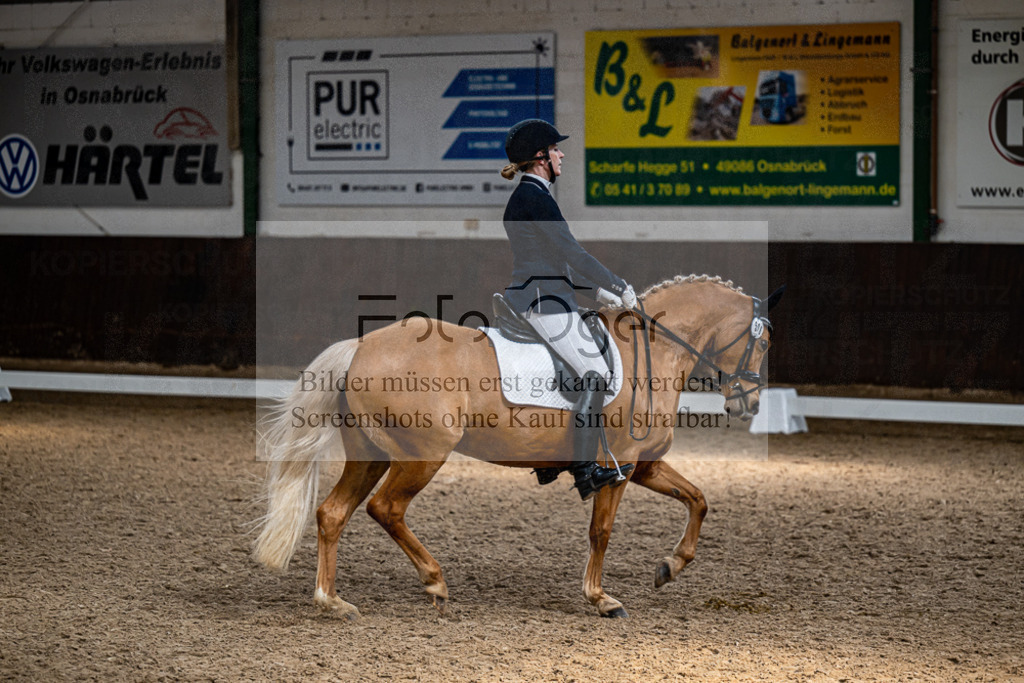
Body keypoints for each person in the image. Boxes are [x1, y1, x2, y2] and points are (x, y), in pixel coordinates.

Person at [500, 118, 637, 501]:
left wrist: (595, 292)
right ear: (541, 157)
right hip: (543, 302)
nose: (562, 155)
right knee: (594, 371)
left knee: (572, 373)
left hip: (540, 293)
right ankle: (585, 469)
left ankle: (553, 455)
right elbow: (571, 253)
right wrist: (618, 284)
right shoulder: (535, 198)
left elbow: (547, 263)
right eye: (556, 149)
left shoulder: (529, 196)